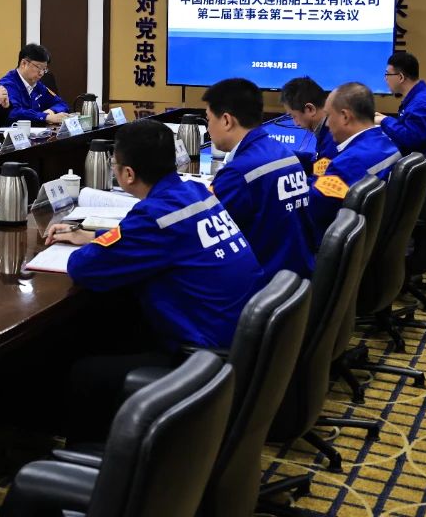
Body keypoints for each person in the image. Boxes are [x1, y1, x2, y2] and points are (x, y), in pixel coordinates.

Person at [46, 120, 264, 440]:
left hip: (202, 353)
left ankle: (91, 459)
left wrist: (94, 244)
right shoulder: (194, 192)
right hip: (238, 336)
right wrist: (91, 235)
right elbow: (159, 239)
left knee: (86, 370)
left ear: (128, 174)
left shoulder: (153, 217)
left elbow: (83, 267)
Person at [203, 78, 314, 281]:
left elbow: (202, 233)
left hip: (264, 283)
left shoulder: (238, 174)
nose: (208, 129)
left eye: (208, 120)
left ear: (226, 120)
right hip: (294, 279)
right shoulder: (282, 151)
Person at [307, 82, 401, 239]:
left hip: (337, 244)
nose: (327, 124)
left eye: (328, 116)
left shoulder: (345, 165)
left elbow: (314, 209)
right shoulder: (388, 142)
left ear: (345, 116)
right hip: (376, 236)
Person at [376, 52, 426, 156]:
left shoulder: (421, 104)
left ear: (401, 77)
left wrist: (385, 121)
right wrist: (385, 120)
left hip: (425, 161)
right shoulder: (424, 94)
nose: (385, 78)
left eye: (387, 74)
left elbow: (411, 140)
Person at [0, 43, 71, 125]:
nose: (41, 73)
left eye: (44, 69)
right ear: (24, 63)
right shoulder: (7, 84)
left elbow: (62, 104)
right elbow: (14, 113)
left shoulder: (38, 85)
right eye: (39, 67)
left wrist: (51, 111)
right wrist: (45, 117)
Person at [280, 75, 337, 173]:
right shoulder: (327, 131)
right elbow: (318, 161)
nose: (296, 124)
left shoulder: (333, 138)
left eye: (294, 116)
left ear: (310, 109)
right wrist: (284, 155)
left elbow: (323, 175)